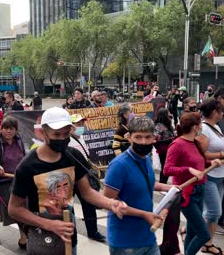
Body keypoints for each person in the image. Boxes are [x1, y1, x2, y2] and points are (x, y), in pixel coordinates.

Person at [8, 107, 127, 254]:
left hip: (69, 237)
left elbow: (87, 192)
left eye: (66, 134)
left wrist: (111, 204)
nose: (62, 139)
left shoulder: (73, 156)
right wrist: (49, 224)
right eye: (56, 134)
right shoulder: (27, 166)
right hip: (41, 240)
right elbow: (14, 209)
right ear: (43, 133)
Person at [104, 116, 173, 255]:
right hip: (125, 242)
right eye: (138, 137)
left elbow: (145, 183)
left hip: (147, 235)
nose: (143, 142)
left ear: (154, 138)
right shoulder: (119, 165)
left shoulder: (146, 158)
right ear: (129, 137)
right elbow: (107, 202)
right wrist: (143, 214)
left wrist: (171, 188)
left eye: (148, 137)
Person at [164, 112, 219, 255]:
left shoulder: (195, 142)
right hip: (186, 194)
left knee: (192, 231)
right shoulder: (177, 145)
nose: (202, 126)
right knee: (204, 234)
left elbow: (199, 162)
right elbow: (167, 169)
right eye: (200, 124)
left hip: (199, 190)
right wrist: (188, 170)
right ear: (195, 127)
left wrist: (210, 162)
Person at [200, 99, 224, 255]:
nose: (223, 114)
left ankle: (205, 240)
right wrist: (223, 154)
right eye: (221, 111)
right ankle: (204, 241)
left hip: (221, 174)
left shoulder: (215, 127)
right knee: (214, 212)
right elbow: (202, 154)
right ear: (215, 112)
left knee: (212, 213)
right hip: (209, 175)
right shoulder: (203, 129)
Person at [0, 116, 27, 247]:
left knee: (21, 209)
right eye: (5, 128)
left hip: (17, 180)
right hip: (0, 183)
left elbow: (25, 157)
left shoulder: (19, 141)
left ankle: (24, 239)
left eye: (12, 129)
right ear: (1, 129)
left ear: (16, 130)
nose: (8, 131)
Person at [68, 114, 106, 242]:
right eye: (78, 124)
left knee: (89, 205)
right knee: (69, 206)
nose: (81, 127)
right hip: (71, 179)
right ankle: (71, 233)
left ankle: (93, 231)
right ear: (71, 127)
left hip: (83, 176)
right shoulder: (67, 140)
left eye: (82, 124)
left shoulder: (82, 137)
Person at [154, 108, 175, 184]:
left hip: (171, 149)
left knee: (167, 167)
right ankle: (162, 184)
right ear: (164, 115)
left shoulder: (168, 125)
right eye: (168, 114)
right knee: (165, 167)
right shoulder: (158, 126)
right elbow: (154, 139)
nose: (170, 115)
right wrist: (166, 141)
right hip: (163, 151)